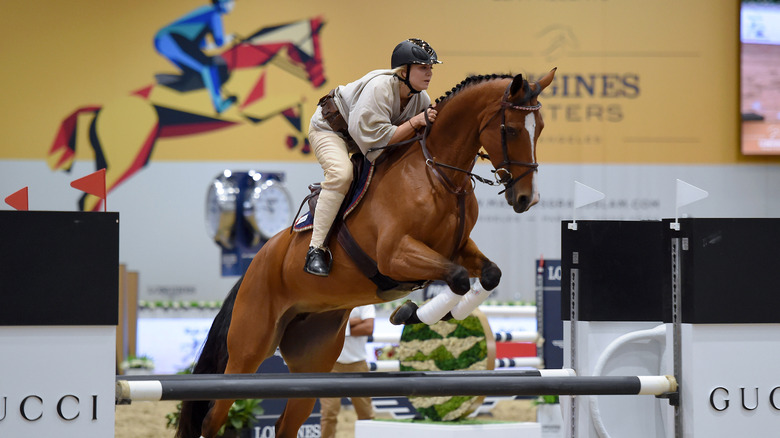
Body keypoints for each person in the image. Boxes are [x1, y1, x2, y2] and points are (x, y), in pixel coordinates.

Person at [304, 38, 442, 276]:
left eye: (431, 67)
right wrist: (416, 121)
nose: (429, 73)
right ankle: (315, 249)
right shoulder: (380, 88)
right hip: (329, 129)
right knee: (341, 174)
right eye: (423, 67)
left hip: (361, 138)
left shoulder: (421, 99)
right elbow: (373, 141)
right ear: (403, 71)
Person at [154, 0, 237, 114]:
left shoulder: (205, 10)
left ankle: (165, 80)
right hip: (174, 39)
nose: (232, 5)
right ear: (220, 3)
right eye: (229, 2)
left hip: (162, 41)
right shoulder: (215, 13)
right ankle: (219, 105)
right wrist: (230, 38)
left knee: (198, 71)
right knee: (208, 68)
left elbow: (202, 46)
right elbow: (219, 42)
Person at [319, 305, 376, 438]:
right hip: (331, 364)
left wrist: (339, 326)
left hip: (358, 364)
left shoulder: (366, 301)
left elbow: (368, 328)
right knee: (328, 413)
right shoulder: (332, 299)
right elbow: (323, 327)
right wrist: (355, 321)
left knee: (366, 413)